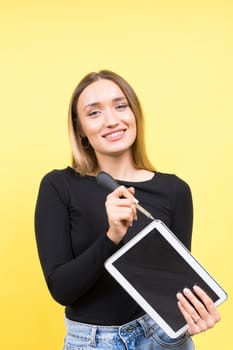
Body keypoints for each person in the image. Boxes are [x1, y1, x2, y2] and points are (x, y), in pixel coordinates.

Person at [35, 70, 220, 350]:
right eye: (94, 113)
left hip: (162, 339)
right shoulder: (59, 186)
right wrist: (112, 236)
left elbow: (172, 288)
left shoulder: (175, 191)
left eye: (120, 106)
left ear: (134, 114)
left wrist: (191, 316)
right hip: (93, 342)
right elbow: (62, 289)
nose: (112, 120)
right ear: (80, 128)